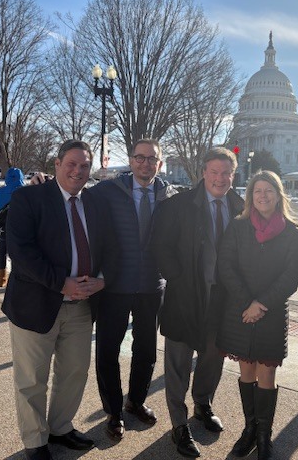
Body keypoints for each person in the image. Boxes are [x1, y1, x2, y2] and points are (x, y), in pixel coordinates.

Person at [3, 140, 117, 460]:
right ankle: (36, 441)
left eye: (83, 166)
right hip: (35, 305)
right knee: (32, 379)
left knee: (74, 372)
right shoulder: (29, 198)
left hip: (81, 306)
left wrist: (103, 280)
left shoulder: (94, 203)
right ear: (56, 164)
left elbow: (109, 247)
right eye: (71, 164)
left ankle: (60, 427)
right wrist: (61, 283)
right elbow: (21, 253)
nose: (77, 171)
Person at [151, 147, 244, 458]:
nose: (219, 178)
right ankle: (179, 424)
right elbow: (160, 246)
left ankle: (202, 404)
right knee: (177, 364)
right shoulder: (178, 205)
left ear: (233, 175)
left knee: (211, 359)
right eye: (214, 172)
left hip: (221, 300)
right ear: (204, 172)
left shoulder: (239, 206)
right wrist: (178, 277)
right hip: (184, 296)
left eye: (226, 173)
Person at [89, 139, 177, 441]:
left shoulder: (169, 196)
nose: (146, 164)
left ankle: (135, 401)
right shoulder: (107, 192)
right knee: (108, 351)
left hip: (152, 285)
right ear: (130, 160)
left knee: (146, 351)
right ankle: (113, 411)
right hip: (114, 285)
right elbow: (71, 195)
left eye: (152, 159)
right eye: (140, 158)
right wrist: (42, 184)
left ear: (160, 164)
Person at [216, 170, 298, 460]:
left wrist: (261, 304)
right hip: (239, 312)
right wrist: (247, 302)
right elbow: (226, 266)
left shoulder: (291, 231)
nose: (263, 196)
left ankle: (264, 435)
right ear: (250, 196)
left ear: (278, 195)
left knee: (266, 374)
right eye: (257, 191)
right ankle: (249, 429)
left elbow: (291, 276)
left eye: (269, 191)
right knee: (246, 371)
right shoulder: (238, 227)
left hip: (271, 314)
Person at [0, 167, 25, 286]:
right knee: (18, 253)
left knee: (1, 252)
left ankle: (1, 278)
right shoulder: (25, 192)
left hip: (2, 228)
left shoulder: (0, 192)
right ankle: (18, 278)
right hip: (20, 229)